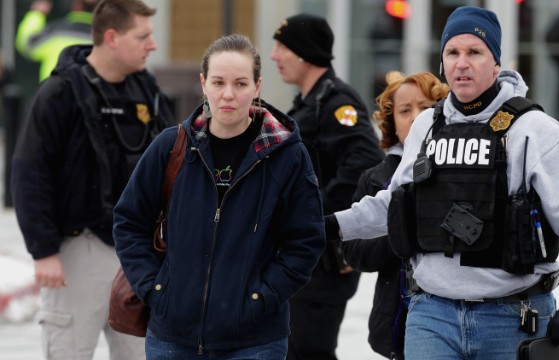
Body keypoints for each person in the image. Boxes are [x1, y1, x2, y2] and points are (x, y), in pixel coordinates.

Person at [324, 6, 559, 359]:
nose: (462, 63)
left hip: (513, 319)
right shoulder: (426, 126)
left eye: (474, 52)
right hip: (432, 315)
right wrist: (332, 226)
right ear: (442, 63)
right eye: (452, 53)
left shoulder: (534, 130)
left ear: (495, 63)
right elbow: (392, 204)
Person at [112, 33, 325, 359]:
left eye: (240, 84)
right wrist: (156, 289)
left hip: (255, 341)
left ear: (256, 87)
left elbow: (306, 241)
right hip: (172, 338)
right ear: (203, 83)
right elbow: (129, 221)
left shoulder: (287, 155)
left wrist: (262, 298)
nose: (228, 94)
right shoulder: (171, 147)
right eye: (218, 82)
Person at [11, 0, 173, 358]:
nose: (153, 45)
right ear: (112, 37)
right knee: (69, 350)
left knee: (141, 352)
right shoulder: (60, 93)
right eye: (143, 36)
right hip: (77, 250)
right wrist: (44, 251)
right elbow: (29, 174)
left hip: (136, 251)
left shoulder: (147, 91)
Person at [270, 13, 385, 360]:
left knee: (310, 351)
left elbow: (363, 161)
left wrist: (316, 216)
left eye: (282, 47)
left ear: (305, 53)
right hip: (304, 256)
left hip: (324, 260)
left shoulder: (337, 103)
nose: (274, 56)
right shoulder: (309, 102)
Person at [341, 71, 449, 360]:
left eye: (426, 108)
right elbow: (354, 252)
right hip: (396, 321)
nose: (416, 117)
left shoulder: (461, 167)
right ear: (391, 123)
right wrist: (401, 234)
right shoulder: (376, 178)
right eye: (405, 110)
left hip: (452, 317)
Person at [16, 0, 96, 82]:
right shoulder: (102, 38)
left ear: (76, 5)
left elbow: (28, 43)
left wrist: (37, 13)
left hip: (53, 91)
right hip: (91, 93)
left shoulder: (55, 33)